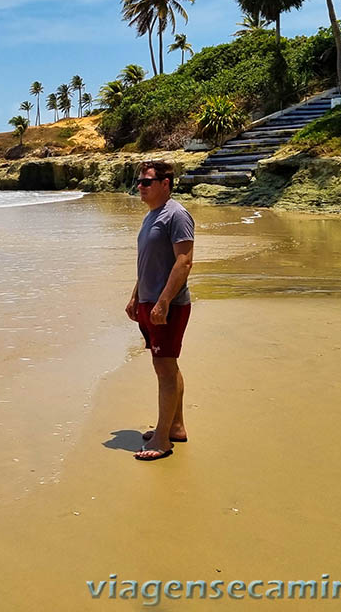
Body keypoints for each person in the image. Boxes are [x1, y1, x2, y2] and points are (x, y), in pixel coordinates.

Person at [125, 161, 194, 462]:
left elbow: (184, 262)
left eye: (146, 182)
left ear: (166, 184)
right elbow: (148, 263)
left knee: (165, 369)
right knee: (166, 365)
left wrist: (163, 302)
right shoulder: (151, 216)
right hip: (149, 303)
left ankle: (163, 439)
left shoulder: (176, 215)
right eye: (138, 182)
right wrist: (135, 296)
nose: (140, 187)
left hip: (167, 305)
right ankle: (175, 425)